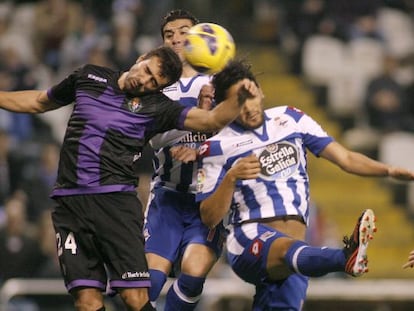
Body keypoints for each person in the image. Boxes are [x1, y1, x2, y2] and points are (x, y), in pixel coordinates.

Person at [0, 46, 258, 311]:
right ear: (140, 59)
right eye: (147, 71)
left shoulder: (158, 107)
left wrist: (239, 97)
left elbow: (211, 120)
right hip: (69, 205)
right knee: (86, 302)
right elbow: (39, 101)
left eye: (154, 83)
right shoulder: (89, 77)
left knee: (134, 299)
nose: (144, 81)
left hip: (115, 205)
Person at [196, 60, 414, 310]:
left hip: (297, 259)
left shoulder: (291, 118)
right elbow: (209, 217)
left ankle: (341, 258)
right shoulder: (215, 147)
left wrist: (387, 170)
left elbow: (346, 158)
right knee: (292, 251)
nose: (249, 107)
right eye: (239, 101)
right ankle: (344, 256)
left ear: (260, 91)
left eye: (251, 95)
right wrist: (231, 178)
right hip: (248, 240)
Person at [143, 10, 223, 310]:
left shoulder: (220, 81)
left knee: (192, 275)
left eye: (184, 31)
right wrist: (197, 118)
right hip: (167, 195)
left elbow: (237, 136)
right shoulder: (156, 84)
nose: (176, 38)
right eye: (169, 34)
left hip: (209, 200)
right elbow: (152, 137)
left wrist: (207, 136)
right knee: (149, 283)